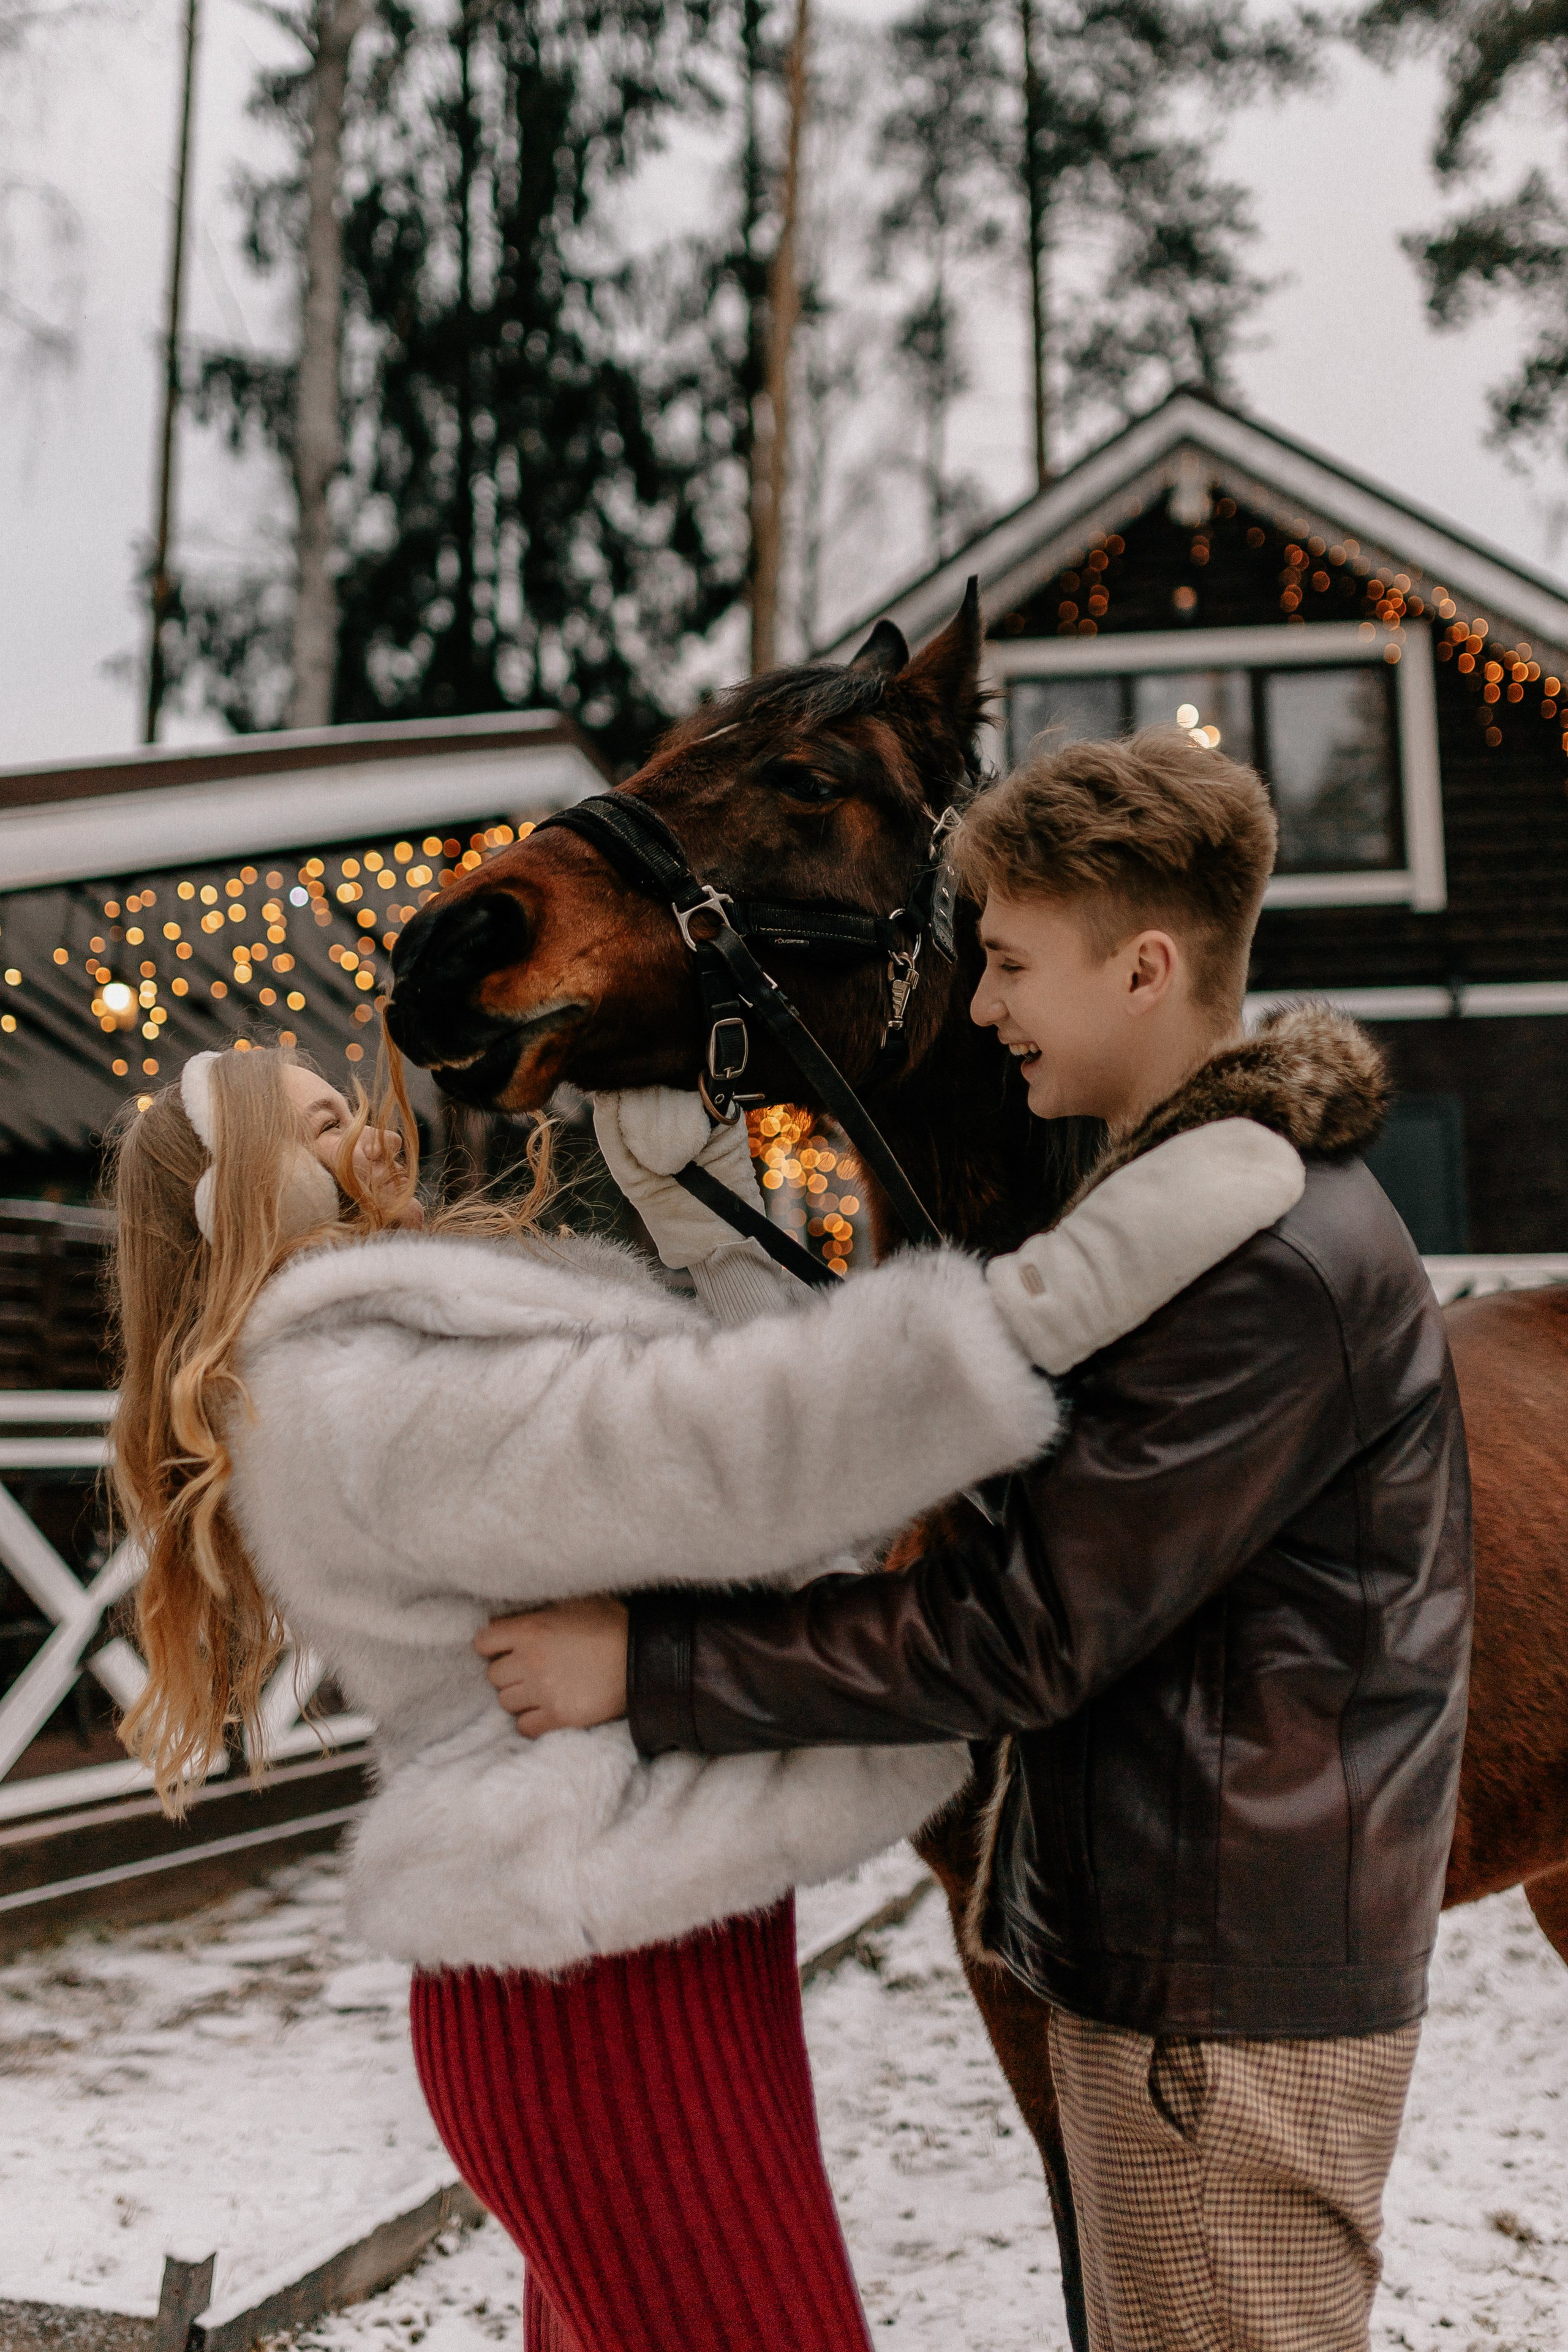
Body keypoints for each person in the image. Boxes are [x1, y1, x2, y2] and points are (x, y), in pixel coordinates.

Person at [480, 728, 1474, 2352]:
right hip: (1164, 1965)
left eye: (1009, 963)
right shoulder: (1166, 1220)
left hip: (1216, 2003)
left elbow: (1019, 1628)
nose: (987, 1004)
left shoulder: (1261, 1263)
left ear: (1144, 969)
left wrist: (643, 1671)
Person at [107, 1022, 1297, 2352]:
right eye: (318, 1127)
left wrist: (712, 1230)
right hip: (599, 2003)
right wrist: (1046, 1304)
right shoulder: (352, 1393)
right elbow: (716, 1457)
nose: (369, 1134)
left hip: (631, 1950)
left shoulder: (396, 1343)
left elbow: (747, 1496)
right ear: (249, 1198)